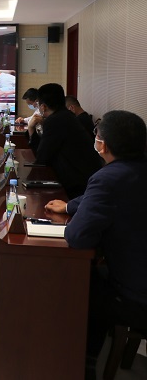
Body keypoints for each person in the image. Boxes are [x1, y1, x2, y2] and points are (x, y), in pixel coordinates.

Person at [44, 111, 147, 378]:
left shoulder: (108, 178)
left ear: (103, 145)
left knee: (75, 287)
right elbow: (105, 197)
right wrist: (70, 206)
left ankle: (83, 366)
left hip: (136, 297)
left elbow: (78, 237)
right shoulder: (133, 171)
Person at [28, 83, 101, 199]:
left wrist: (31, 129)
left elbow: (41, 157)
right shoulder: (66, 116)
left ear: (43, 107)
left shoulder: (55, 120)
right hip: (87, 177)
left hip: (78, 184)